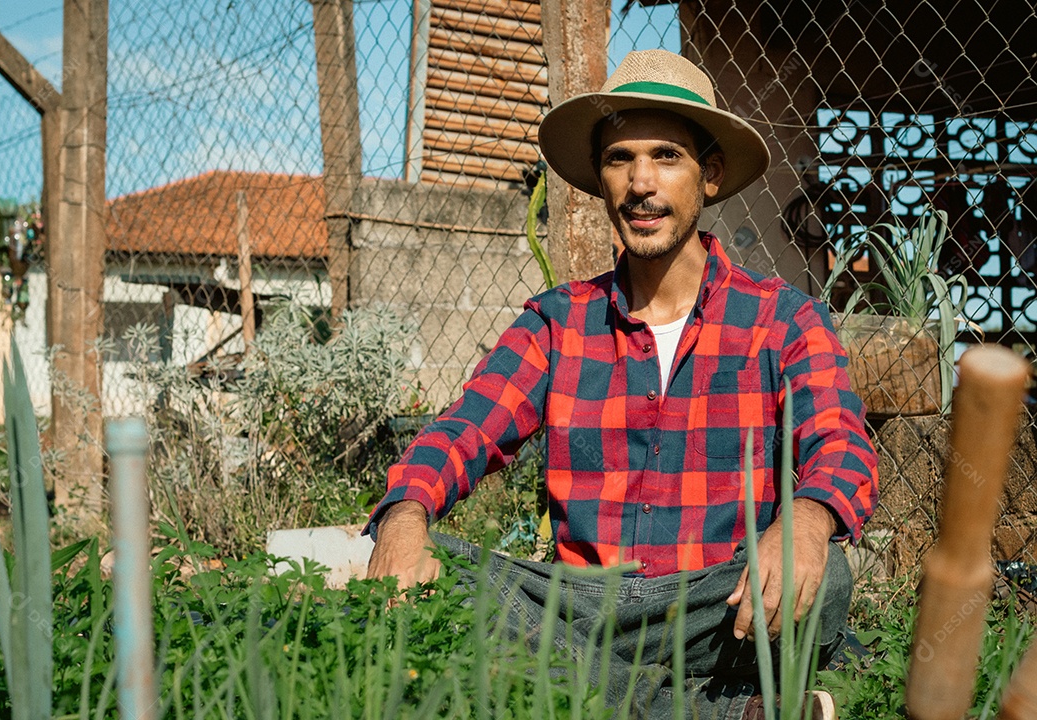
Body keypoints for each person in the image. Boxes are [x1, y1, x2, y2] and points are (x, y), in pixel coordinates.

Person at [364, 49, 878, 719]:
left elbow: (839, 441)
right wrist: (405, 517)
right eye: (619, 159)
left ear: (711, 176)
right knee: (434, 575)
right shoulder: (559, 321)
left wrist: (804, 521)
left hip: (718, 606)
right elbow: (462, 432)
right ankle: (717, 712)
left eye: (666, 156)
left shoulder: (783, 318)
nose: (641, 183)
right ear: (601, 181)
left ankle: (588, 692)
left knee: (829, 578)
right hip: (580, 604)